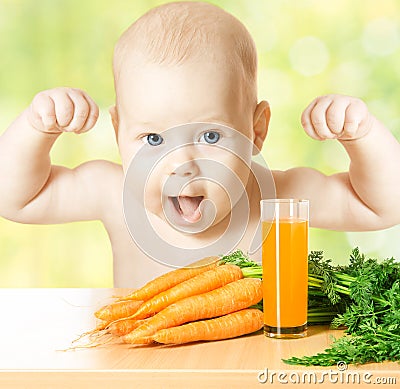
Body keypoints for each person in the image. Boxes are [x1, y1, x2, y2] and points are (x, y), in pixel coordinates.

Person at [0, 2, 399, 287]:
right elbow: (15, 199)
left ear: (256, 130)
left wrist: (361, 135)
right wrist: (38, 127)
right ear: (118, 130)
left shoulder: (273, 199)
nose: (181, 163)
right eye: (153, 139)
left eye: (210, 136)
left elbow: (382, 207)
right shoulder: (115, 192)